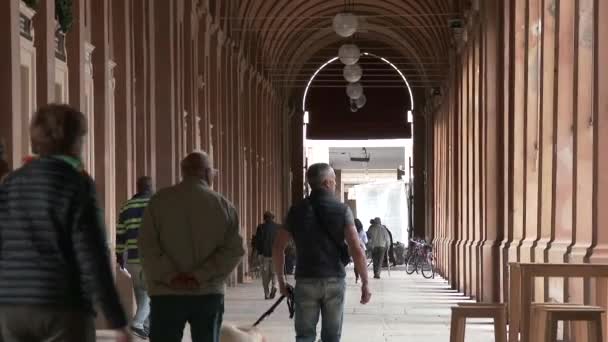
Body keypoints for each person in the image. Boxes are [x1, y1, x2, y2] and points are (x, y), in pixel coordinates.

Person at [0, 104, 129, 342]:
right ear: (73, 141)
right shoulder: (76, 184)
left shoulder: (11, 183)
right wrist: (116, 319)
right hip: (62, 305)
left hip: (9, 308)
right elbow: (92, 254)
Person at [138, 151, 245, 342]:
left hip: (166, 293)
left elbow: (147, 246)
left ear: (184, 172)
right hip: (207, 292)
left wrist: (171, 276)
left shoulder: (159, 201)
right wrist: (200, 275)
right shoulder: (223, 205)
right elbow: (234, 250)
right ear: (206, 173)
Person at [273, 163, 371, 342]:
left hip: (305, 279)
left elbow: (278, 247)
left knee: (304, 336)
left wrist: (281, 281)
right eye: (334, 181)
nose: (334, 185)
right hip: (334, 279)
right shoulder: (342, 210)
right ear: (327, 183)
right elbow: (356, 249)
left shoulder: (296, 210)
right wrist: (365, 282)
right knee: (332, 337)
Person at [116, 176, 154, 339]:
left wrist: (119, 256)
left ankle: (147, 328)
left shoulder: (126, 206)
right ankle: (137, 323)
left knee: (141, 294)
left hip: (132, 259)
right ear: (150, 187)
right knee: (152, 294)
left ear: (137, 188)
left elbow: (120, 234)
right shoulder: (155, 204)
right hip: (150, 259)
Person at [254, 211, 280, 299]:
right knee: (274, 273)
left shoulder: (260, 227)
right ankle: (274, 286)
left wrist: (255, 254)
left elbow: (257, 242)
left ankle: (267, 294)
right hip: (275, 255)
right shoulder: (278, 227)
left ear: (264, 218)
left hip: (264, 255)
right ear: (273, 218)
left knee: (265, 276)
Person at [354, 218, 368, 283]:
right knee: (362, 263)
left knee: (356, 263)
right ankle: (363, 278)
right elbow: (366, 241)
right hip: (362, 248)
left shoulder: (352, 230)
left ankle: (357, 277)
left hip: (354, 248)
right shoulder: (362, 232)